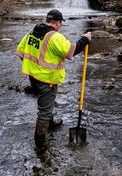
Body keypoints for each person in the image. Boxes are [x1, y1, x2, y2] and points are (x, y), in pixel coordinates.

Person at [15, 9, 92, 146]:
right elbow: (72, 51)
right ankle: (40, 144)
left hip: (33, 77)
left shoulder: (32, 32)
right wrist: (85, 39)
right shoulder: (55, 37)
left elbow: (20, 53)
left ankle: (51, 124)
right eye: (61, 23)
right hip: (47, 80)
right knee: (44, 112)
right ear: (57, 23)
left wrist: (35, 69)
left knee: (47, 103)